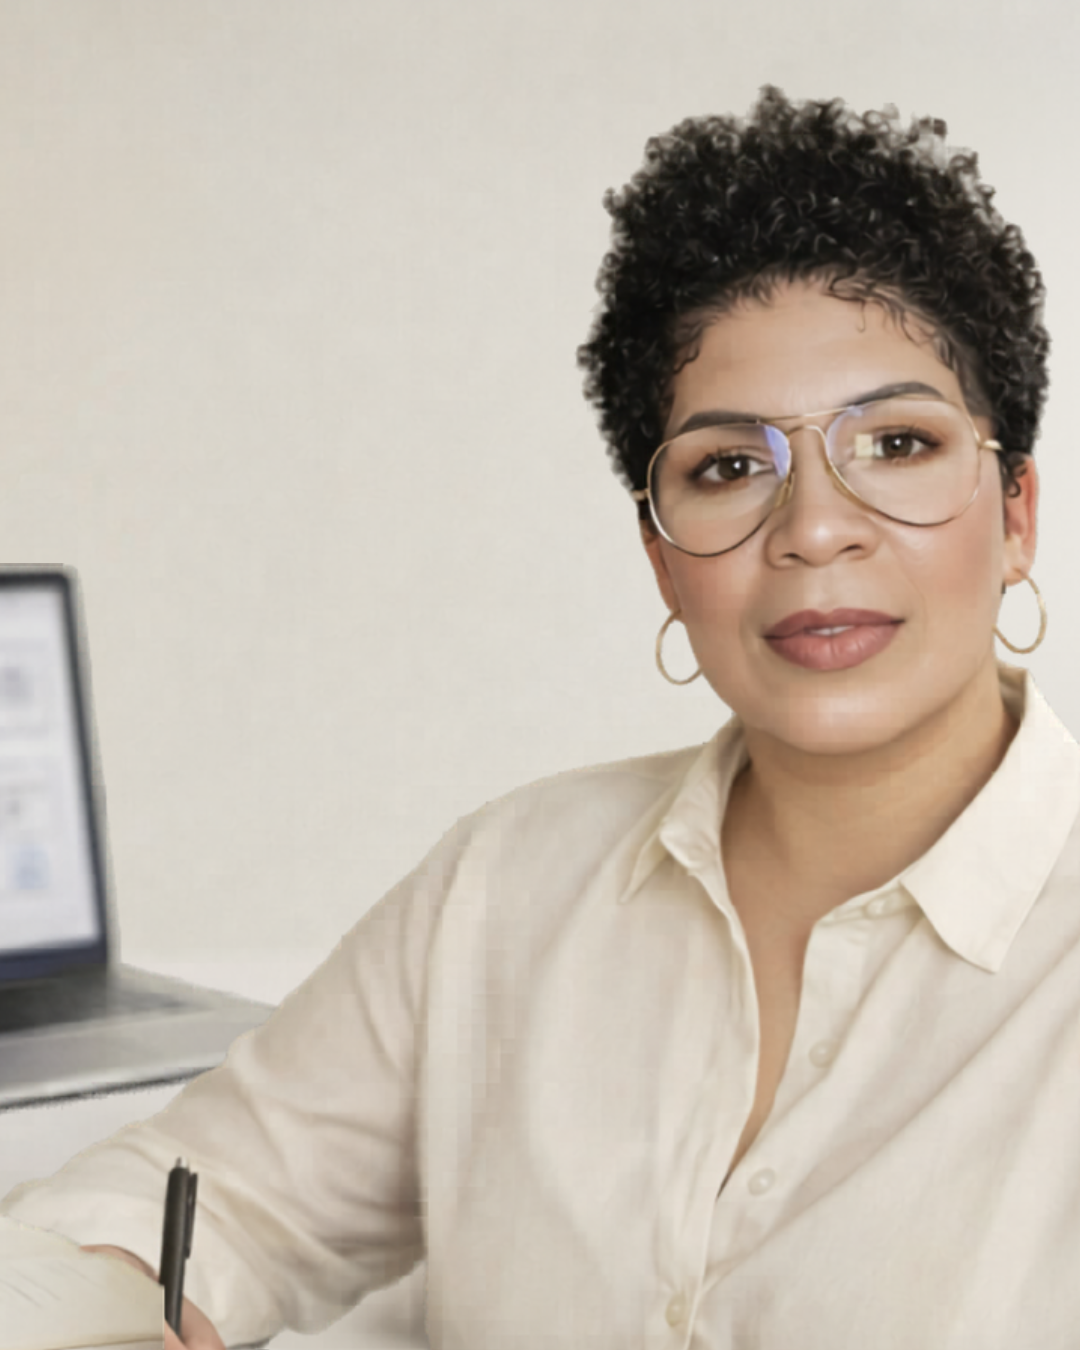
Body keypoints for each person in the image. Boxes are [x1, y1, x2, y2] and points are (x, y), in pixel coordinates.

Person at [2, 86, 1073, 1349]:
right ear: (663, 558)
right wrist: (113, 1307)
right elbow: (208, 1200)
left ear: (1015, 513)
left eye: (895, 444)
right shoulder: (509, 887)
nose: (816, 529)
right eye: (731, 466)